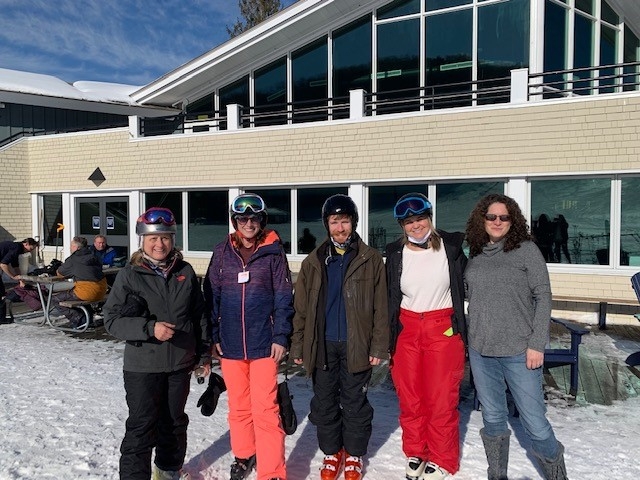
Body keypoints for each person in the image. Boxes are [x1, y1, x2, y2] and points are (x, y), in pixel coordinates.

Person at [464, 193, 567, 480]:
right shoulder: (475, 252)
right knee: (493, 418)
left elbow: (543, 296)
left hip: (520, 351)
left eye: (504, 217)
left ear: (513, 221)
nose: (497, 222)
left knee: (534, 423)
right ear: (481, 219)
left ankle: (558, 476)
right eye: (491, 216)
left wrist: (537, 343)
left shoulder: (526, 250)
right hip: (481, 351)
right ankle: (496, 475)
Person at [103, 207, 211, 480]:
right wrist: (150, 328)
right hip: (143, 366)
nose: (159, 244)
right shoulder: (130, 275)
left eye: (165, 237)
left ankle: (168, 470)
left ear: (173, 239)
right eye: (153, 238)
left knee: (174, 423)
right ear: (142, 241)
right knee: (141, 426)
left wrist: (204, 354)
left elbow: (199, 315)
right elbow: (112, 320)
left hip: (179, 363)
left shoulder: (184, 272)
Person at [290, 194, 389, 480]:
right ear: (327, 225)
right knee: (324, 403)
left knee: (355, 403)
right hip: (321, 346)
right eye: (335, 222)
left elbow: (380, 307)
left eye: (345, 221)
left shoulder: (370, 260)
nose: (340, 228)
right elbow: (302, 310)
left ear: (353, 223)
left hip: (356, 345)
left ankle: (355, 454)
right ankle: (332, 453)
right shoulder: (314, 261)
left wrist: (379, 345)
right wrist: (298, 344)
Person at [205, 193, 293, 480]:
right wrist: (214, 335)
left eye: (254, 219)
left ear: (261, 222)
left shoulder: (273, 253)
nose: (248, 224)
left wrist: (281, 336)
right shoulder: (221, 253)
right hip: (229, 344)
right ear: (235, 222)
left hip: (264, 343)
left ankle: (272, 472)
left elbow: (283, 297)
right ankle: (244, 456)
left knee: (266, 409)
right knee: (239, 407)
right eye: (243, 219)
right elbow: (212, 296)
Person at [384, 193, 467, 480]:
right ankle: (417, 451)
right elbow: (389, 296)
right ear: (401, 226)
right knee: (410, 395)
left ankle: (443, 457)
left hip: (441, 326)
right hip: (406, 328)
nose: (416, 226)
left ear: (430, 218)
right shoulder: (395, 254)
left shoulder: (451, 248)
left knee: (441, 395)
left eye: (420, 219)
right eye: (409, 222)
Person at [49, 236, 108, 327]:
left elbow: (60, 273)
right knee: (78, 293)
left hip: (87, 292)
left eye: (71, 245)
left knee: (55, 299)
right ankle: (88, 318)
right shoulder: (93, 255)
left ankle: (80, 320)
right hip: (102, 289)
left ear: (77, 248)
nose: (70, 247)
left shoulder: (74, 259)